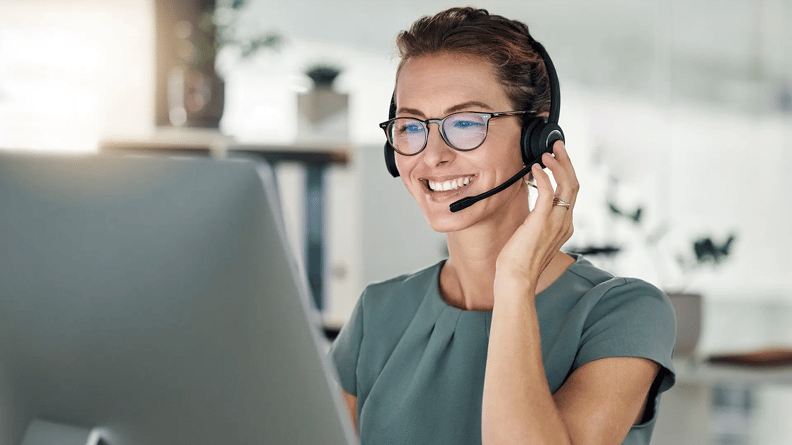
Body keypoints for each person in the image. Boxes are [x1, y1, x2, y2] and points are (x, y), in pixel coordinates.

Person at [330, 7, 675, 445]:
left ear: (537, 138)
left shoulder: (623, 313)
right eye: (412, 126)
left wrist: (513, 279)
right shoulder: (377, 315)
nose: (432, 155)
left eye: (466, 123)